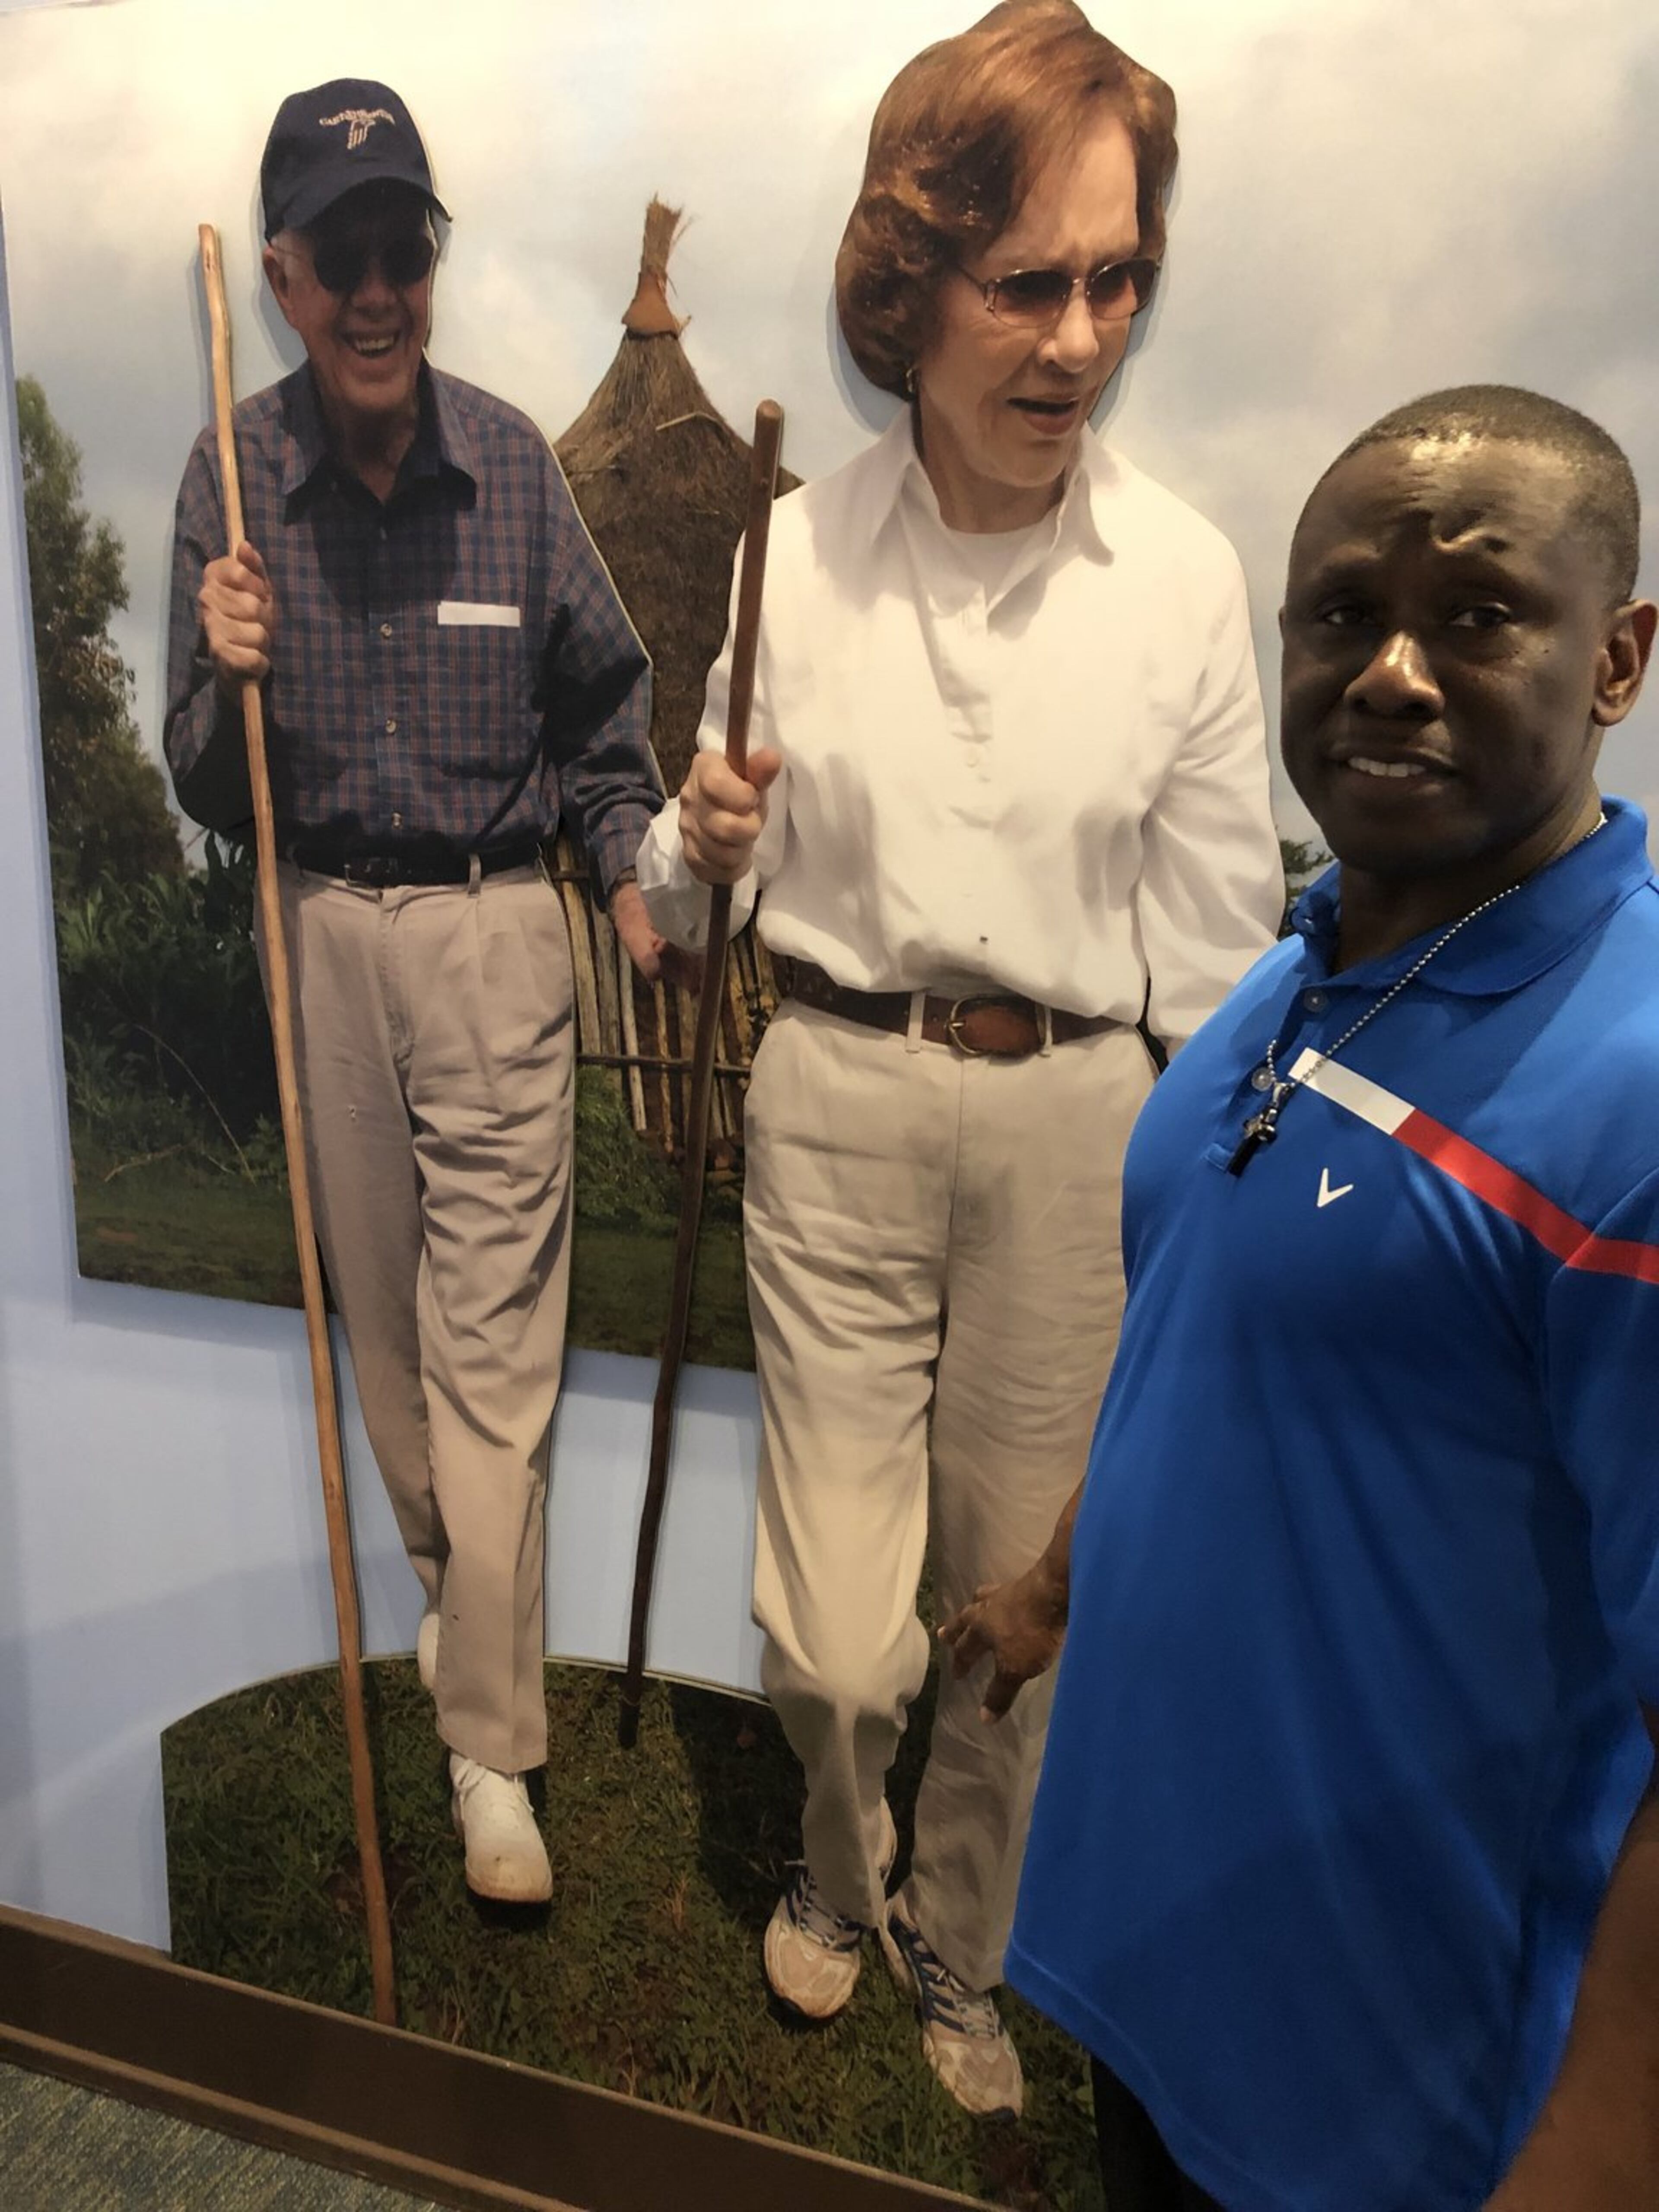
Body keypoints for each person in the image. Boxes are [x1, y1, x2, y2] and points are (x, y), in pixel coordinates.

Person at [636, 0, 1282, 2118]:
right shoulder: (784, 557)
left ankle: (959, 1933)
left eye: (1121, 282)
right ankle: (837, 1857)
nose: (1082, 338)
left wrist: (1212, 1213)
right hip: (830, 1091)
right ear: (907, 285)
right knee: (838, 1632)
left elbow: (1214, 956)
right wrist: (695, 834)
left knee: (1016, 1587)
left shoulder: (1184, 581)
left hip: (1087, 1124)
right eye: (1030, 285)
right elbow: (669, 881)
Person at [945, 385, 1659, 2207]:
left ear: (1617, 658)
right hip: (1165, 1971)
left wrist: (1599, 2150)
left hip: (1413, 2103)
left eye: (1480, 614)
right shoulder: (1291, 979)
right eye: (1343, 616)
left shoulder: (1636, 1093)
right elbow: (1208, 1323)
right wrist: (1051, 1585)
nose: (1395, 672)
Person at [164, 79, 673, 1905]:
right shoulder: (228, 481)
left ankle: (487, 1752)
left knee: (496, 1359)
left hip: (491, 931)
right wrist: (223, 679)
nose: (380, 291)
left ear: (427, 266)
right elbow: (199, 782)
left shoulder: (517, 465)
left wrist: (629, 877)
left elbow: (608, 734)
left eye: (408, 250)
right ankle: (476, 1630)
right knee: (392, 1364)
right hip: (317, 930)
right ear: (287, 279)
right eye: (344, 259)